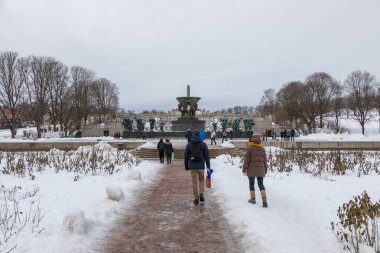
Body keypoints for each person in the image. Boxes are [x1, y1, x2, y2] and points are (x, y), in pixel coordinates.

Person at [184, 130, 211, 205]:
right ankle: (201, 193)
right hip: (201, 166)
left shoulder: (189, 144)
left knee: (194, 182)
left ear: (193, 135)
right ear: (199, 135)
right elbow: (207, 156)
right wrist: (208, 167)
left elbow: (186, 156)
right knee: (201, 180)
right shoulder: (203, 144)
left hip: (192, 166)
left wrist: (186, 165)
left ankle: (196, 197)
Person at [242, 133, 268, 208]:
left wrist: (244, 169)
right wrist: (265, 169)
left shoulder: (250, 148)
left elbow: (246, 160)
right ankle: (264, 201)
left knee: (251, 184)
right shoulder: (262, 149)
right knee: (261, 184)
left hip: (251, 170)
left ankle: (253, 199)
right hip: (261, 169)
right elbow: (265, 161)